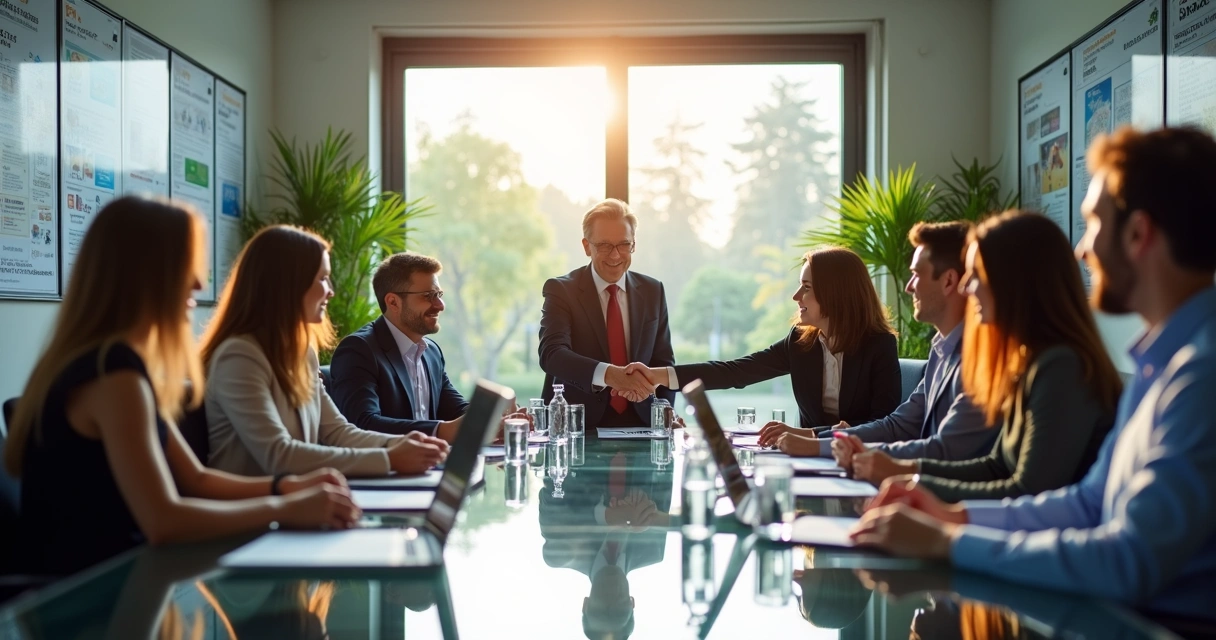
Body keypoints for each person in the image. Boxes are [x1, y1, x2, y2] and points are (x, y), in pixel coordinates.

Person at [850, 126, 1216, 623]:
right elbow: (1089, 504)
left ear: (1138, 235)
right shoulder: (1164, 364)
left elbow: (1128, 561)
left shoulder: (1200, 377)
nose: (1083, 250)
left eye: (1091, 225)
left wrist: (951, 541)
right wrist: (954, 517)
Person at [4, 197, 358, 577]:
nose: (199, 282)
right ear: (144, 275)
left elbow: (197, 480)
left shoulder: (119, 366)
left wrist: (288, 487)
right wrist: (286, 508)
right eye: (186, 266)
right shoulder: (113, 376)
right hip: (90, 603)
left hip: (129, 585)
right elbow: (164, 521)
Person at [847, 212, 1121, 499]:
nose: (966, 288)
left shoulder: (1062, 367)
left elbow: (1026, 491)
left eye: (976, 274)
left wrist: (910, 484)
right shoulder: (1029, 361)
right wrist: (903, 472)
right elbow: (996, 467)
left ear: (1013, 282)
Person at [201, 225, 449, 478]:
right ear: (287, 284)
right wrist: (389, 457)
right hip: (252, 511)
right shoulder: (240, 356)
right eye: (322, 278)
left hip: (297, 504)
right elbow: (279, 455)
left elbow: (338, 432)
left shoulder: (302, 353)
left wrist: (405, 445)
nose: (330, 290)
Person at [758, 222, 993, 471]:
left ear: (947, 281)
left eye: (916, 274)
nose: (908, 286)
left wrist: (818, 443)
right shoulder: (940, 350)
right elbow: (897, 426)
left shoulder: (981, 360)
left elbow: (943, 450)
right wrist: (817, 440)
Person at [629, 247, 900, 431]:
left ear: (836, 294)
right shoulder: (800, 342)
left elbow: (885, 426)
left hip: (858, 469)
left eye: (806, 288)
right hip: (808, 466)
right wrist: (657, 376)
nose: (796, 297)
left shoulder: (879, 345)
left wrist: (811, 436)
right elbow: (736, 372)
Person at [330, 252, 528, 442]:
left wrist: (496, 421)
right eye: (428, 296)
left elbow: (456, 410)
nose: (440, 305)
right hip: (385, 473)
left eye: (439, 294)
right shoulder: (358, 350)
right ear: (393, 302)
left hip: (430, 469)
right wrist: (440, 431)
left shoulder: (431, 352)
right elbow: (362, 425)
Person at [538, 199, 675, 429]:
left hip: (642, 424)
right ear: (586, 246)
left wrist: (664, 413)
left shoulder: (653, 290)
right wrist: (610, 375)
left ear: (633, 243)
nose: (615, 256)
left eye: (624, 244)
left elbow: (663, 363)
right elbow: (552, 354)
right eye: (604, 245)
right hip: (575, 426)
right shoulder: (561, 290)